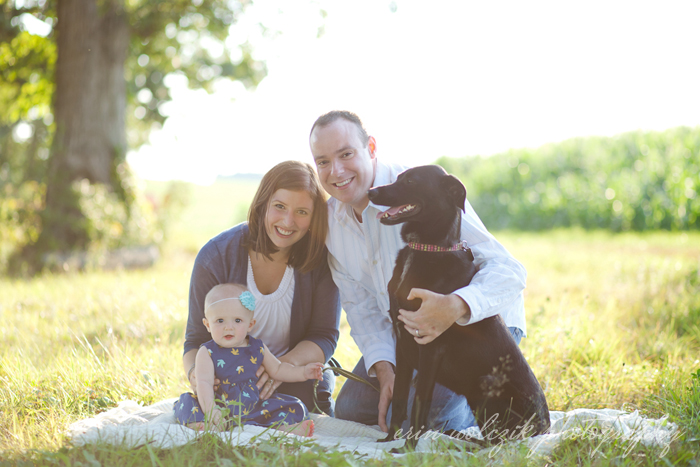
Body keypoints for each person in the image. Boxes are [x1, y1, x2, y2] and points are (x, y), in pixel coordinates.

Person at [309, 111, 528, 433]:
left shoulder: (425, 190)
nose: (336, 171)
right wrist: (386, 370)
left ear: (370, 148)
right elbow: (362, 307)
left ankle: (500, 403)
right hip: (414, 336)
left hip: (480, 332)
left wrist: (456, 305)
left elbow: (509, 269)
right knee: (352, 409)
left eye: (346, 154)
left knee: (428, 418)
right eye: (323, 162)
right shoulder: (331, 223)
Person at [183, 160, 341, 417]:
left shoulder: (320, 260)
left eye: (302, 212)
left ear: (314, 218)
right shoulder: (216, 256)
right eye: (279, 207)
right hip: (229, 376)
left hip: (293, 370)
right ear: (263, 205)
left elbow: (324, 335)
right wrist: (197, 377)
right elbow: (195, 339)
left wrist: (278, 368)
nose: (288, 221)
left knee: (307, 409)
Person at [175, 283, 322, 436]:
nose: (228, 327)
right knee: (186, 402)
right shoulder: (207, 352)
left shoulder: (257, 347)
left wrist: (303, 372)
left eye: (237, 320)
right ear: (207, 325)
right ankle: (204, 425)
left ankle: (283, 430)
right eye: (220, 321)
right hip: (219, 406)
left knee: (294, 405)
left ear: (250, 324)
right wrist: (211, 410)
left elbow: (278, 369)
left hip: (254, 406)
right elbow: (204, 383)